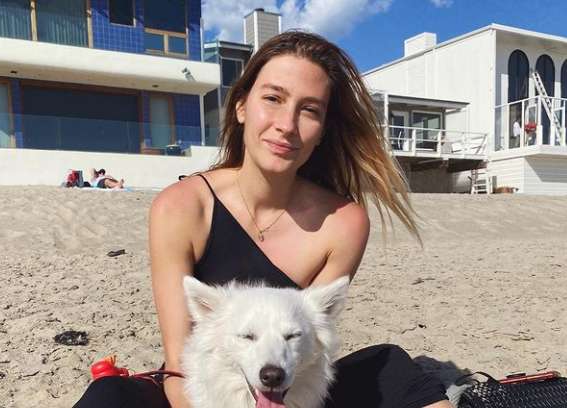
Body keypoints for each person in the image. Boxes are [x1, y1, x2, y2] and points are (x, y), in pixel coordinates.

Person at [74, 31, 451, 408]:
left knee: (392, 367)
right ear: (241, 106)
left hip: (292, 386)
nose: (287, 124)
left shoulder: (343, 223)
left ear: (322, 130)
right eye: (273, 98)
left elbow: (313, 343)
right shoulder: (182, 206)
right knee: (109, 394)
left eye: (309, 110)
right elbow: (178, 365)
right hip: (202, 387)